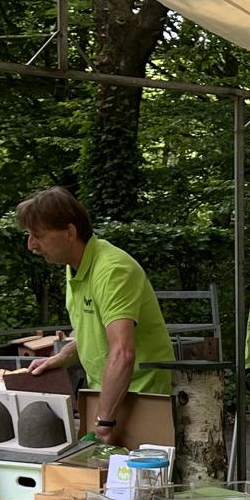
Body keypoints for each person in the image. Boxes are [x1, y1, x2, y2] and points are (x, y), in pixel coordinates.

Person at [19, 187, 175, 443]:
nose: (31, 245)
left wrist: (104, 422)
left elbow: (122, 353)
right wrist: (60, 358)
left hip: (142, 398)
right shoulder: (75, 267)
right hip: (105, 398)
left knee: (141, 471)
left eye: (38, 235)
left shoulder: (113, 271)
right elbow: (93, 334)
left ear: (69, 232)